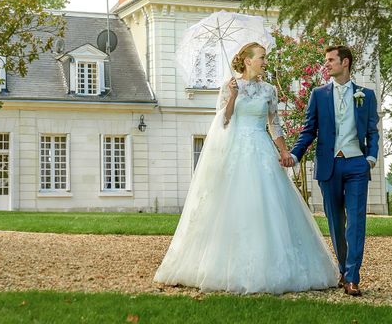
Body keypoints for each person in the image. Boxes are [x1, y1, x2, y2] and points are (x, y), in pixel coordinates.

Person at [154, 42, 339, 294]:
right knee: (232, 205)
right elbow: (224, 121)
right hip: (235, 151)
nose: (265, 61)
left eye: (265, 57)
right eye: (261, 57)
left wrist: (284, 150)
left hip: (261, 149)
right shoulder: (230, 86)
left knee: (269, 203)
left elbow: (275, 125)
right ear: (248, 60)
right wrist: (232, 95)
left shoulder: (269, 90)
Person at [290, 45, 380, 297]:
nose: (326, 64)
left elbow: (373, 131)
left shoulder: (366, 95)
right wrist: (295, 155)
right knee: (336, 223)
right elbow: (309, 130)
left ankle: (352, 277)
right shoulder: (318, 95)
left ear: (345, 63)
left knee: (356, 222)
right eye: (325, 61)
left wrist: (370, 159)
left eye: (331, 60)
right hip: (329, 166)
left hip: (356, 165)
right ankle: (343, 269)